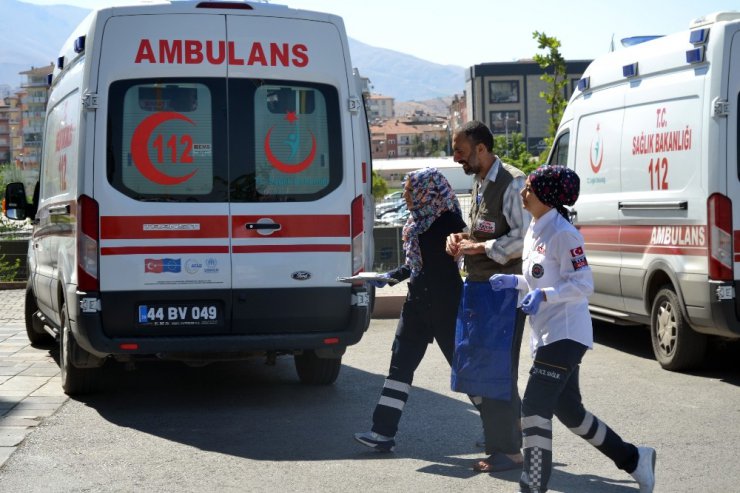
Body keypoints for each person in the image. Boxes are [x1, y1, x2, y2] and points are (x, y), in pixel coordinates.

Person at [489, 165, 656, 492]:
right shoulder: (535, 227)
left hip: (566, 334)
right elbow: (541, 278)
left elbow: (582, 284)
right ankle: (635, 458)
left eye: (530, 190)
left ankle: (532, 486)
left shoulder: (564, 233)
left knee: (534, 406)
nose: (524, 194)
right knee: (571, 413)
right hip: (548, 334)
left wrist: (544, 295)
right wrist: (516, 282)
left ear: (547, 198)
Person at [354, 167, 467, 452]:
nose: (404, 196)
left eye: (408, 190)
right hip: (416, 307)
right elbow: (417, 267)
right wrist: (389, 277)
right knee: (399, 367)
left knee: (465, 369)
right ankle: (382, 434)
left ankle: (499, 430)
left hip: (445, 307)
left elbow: (447, 265)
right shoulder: (416, 223)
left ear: (425, 191)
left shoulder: (449, 222)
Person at [445, 120, 529, 472]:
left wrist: (480, 246)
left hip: (504, 293)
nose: (456, 159)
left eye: (460, 152)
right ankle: (503, 443)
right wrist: (459, 238)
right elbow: (479, 229)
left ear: (481, 148)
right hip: (481, 290)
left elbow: (525, 237)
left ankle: (509, 450)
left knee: (499, 372)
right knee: (484, 370)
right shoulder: (480, 181)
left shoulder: (512, 181)